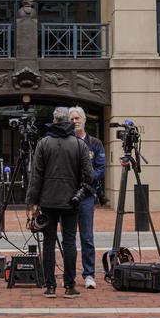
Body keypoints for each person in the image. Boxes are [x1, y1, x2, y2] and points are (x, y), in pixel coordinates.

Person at [26, 106, 93, 299]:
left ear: (54, 121)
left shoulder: (43, 143)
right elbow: (89, 176)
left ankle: (50, 286)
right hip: (71, 201)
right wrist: (79, 192)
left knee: (48, 243)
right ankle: (70, 286)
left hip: (47, 201)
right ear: (68, 122)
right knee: (70, 242)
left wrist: (32, 202)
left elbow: (36, 176)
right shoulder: (79, 145)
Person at [68, 106, 105, 289]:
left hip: (87, 195)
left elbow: (100, 168)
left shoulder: (95, 143)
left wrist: (88, 181)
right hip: (67, 194)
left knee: (87, 237)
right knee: (68, 237)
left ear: (84, 120)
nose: (75, 121)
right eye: (72, 119)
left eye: (77, 118)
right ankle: (69, 275)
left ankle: (89, 274)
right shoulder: (66, 142)